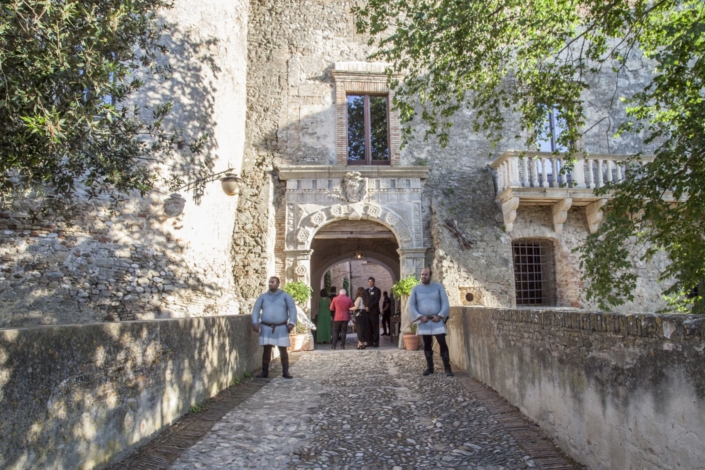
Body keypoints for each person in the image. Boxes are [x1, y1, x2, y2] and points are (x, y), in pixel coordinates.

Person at [408, 268, 453, 377]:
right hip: (424, 321)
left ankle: (447, 368)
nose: (423, 276)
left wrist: (440, 315)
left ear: (430, 276)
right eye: (422, 274)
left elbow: (445, 303)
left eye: (426, 274)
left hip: (436, 319)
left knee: (442, 342)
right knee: (427, 343)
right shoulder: (416, 289)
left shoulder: (438, 287)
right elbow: (411, 305)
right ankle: (430, 367)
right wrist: (419, 316)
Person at [251, 276, 297, 379]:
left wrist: (292, 322)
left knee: (283, 350)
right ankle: (264, 371)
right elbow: (256, 310)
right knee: (266, 350)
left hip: (281, 327)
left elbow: (292, 309)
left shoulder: (285, 296)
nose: (270, 284)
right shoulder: (262, 297)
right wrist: (255, 323)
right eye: (269, 282)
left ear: (278, 283)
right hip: (266, 327)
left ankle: (286, 371)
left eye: (272, 282)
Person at [366, 277, 382, 347]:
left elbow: (376, 300)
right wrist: (365, 307)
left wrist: (369, 307)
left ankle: (376, 342)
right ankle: (369, 341)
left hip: (374, 312)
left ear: (374, 282)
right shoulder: (365, 291)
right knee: (368, 327)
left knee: (375, 327)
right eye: (369, 282)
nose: (370, 283)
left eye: (371, 282)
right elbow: (364, 300)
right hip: (367, 312)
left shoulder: (377, 290)